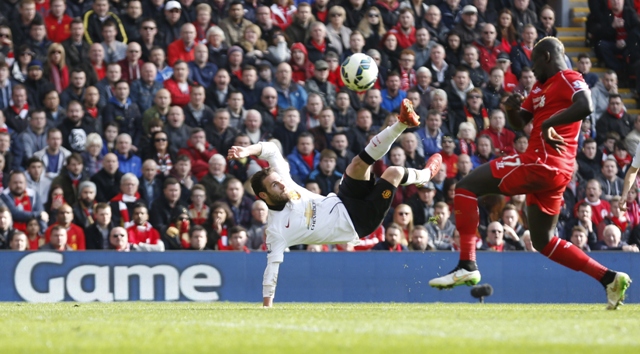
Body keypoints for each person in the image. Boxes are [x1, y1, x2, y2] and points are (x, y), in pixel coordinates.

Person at [428, 37, 631, 310]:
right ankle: (609, 279)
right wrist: (512, 108)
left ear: (546, 56)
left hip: (541, 163)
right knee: (544, 241)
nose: (531, 68)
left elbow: (586, 105)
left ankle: (467, 264)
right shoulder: (539, 88)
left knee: (465, 187)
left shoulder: (569, 77)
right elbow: (520, 121)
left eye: (534, 61)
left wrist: (548, 122)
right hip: (553, 173)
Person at [227, 98, 441, 307]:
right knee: (392, 172)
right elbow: (271, 268)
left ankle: (402, 122)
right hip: (358, 222)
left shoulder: (285, 182)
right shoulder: (276, 229)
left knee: (358, 164)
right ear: (263, 196)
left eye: (280, 181)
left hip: (342, 200)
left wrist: (246, 151)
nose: (282, 185)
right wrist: (267, 304)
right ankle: (426, 174)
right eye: (275, 186)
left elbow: (271, 150)